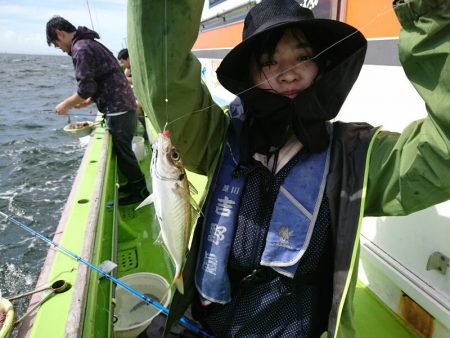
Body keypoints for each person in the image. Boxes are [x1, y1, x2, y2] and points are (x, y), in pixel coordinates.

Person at [128, 0, 450, 337]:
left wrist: (427, 15)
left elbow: (441, 153)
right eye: (269, 62)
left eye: (303, 57)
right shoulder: (216, 137)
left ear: (321, 67)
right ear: (250, 75)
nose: (289, 72)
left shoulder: (356, 155)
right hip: (203, 323)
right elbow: (165, 83)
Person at [46, 16, 149, 205]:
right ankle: (135, 185)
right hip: (123, 104)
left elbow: (85, 88)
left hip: (118, 108)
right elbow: (103, 78)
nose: (60, 49)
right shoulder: (89, 43)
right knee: (124, 151)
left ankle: (140, 190)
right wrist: (87, 102)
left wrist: (65, 105)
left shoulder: (80, 48)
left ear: (60, 34)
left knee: (124, 152)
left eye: (56, 44)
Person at [117, 48, 147, 137]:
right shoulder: (127, 70)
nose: (122, 64)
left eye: (123, 62)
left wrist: (123, 78)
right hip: (136, 94)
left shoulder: (137, 67)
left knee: (135, 105)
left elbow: (137, 81)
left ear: (129, 58)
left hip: (143, 96)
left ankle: (145, 128)